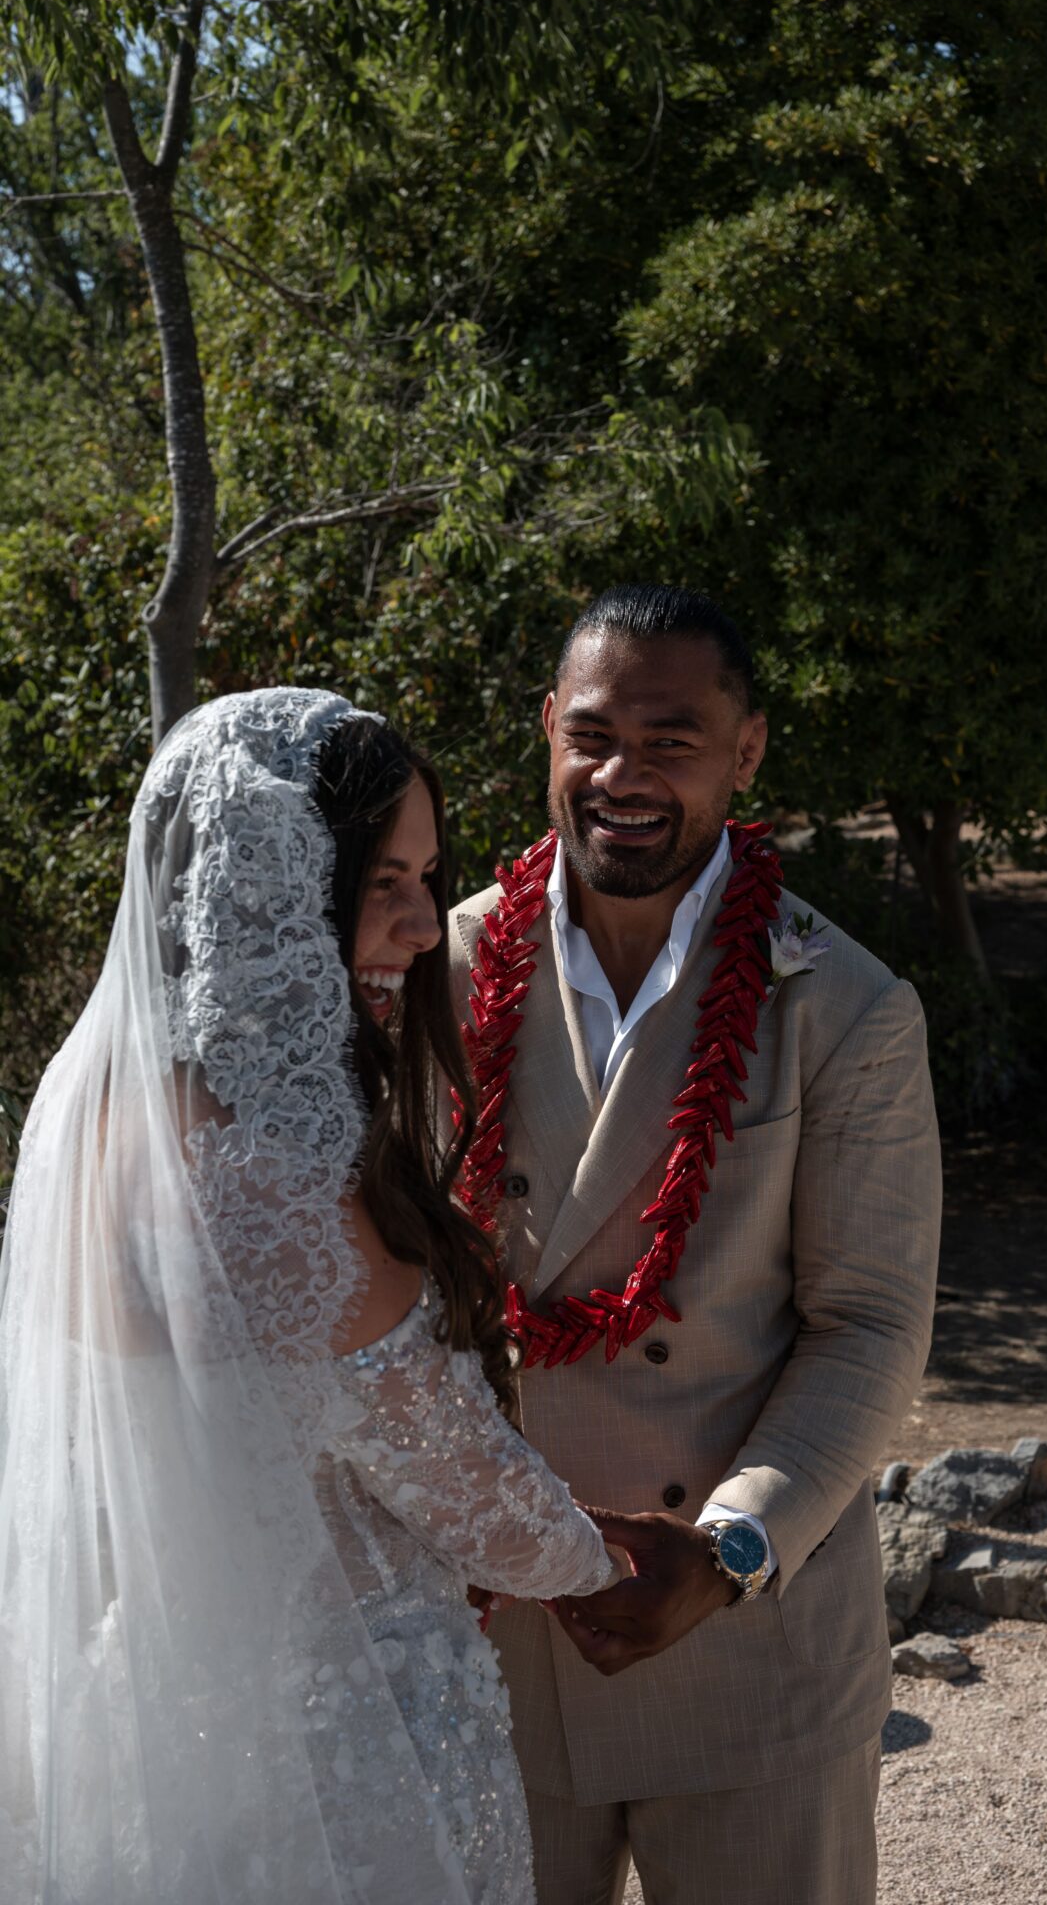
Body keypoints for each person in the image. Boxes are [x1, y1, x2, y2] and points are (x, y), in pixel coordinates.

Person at [0, 686, 613, 1905]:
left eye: (427, 877)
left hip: (156, 1722)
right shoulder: (276, 1187)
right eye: (380, 881)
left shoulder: (90, 1124)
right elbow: (478, 1503)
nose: (423, 922)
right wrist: (609, 1565)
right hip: (339, 1770)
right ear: (267, 892)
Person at [448, 586, 942, 1905]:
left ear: (748, 752)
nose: (623, 776)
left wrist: (728, 1556)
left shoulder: (845, 1006)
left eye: (673, 740)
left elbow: (870, 1327)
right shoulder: (436, 972)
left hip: (744, 1650)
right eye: (594, 733)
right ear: (549, 729)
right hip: (487, 1644)